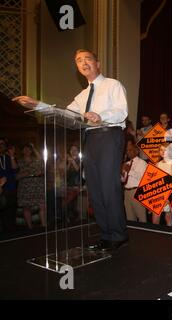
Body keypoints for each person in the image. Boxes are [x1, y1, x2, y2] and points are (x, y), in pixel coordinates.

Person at [13, 49, 129, 251]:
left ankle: (118, 235)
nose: (83, 63)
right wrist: (37, 105)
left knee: (109, 187)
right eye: (78, 61)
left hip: (109, 134)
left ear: (98, 63)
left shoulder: (113, 85)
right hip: (90, 138)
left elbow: (122, 110)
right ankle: (105, 234)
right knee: (94, 189)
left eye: (87, 59)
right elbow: (65, 115)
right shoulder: (81, 96)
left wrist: (100, 115)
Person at [122, 141, 147, 223]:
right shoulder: (127, 163)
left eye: (130, 150)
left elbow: (142, 178)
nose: (128, 152)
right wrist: (121, 174)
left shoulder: (142, 163)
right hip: (127, 192)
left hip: (137, 192)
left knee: (142, 218)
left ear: (136, 151)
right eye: (127, 151)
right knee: (130, 218)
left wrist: (129, 171)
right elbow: (123, 180)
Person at [154, 143, 172, 226]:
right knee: (155, 219)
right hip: (158, 194)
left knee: (168, 217)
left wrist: (168, 197)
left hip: (168, 194)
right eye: (161, 150)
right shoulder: (157, 164)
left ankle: (169, 237)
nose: (163, 152)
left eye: (165, 150)